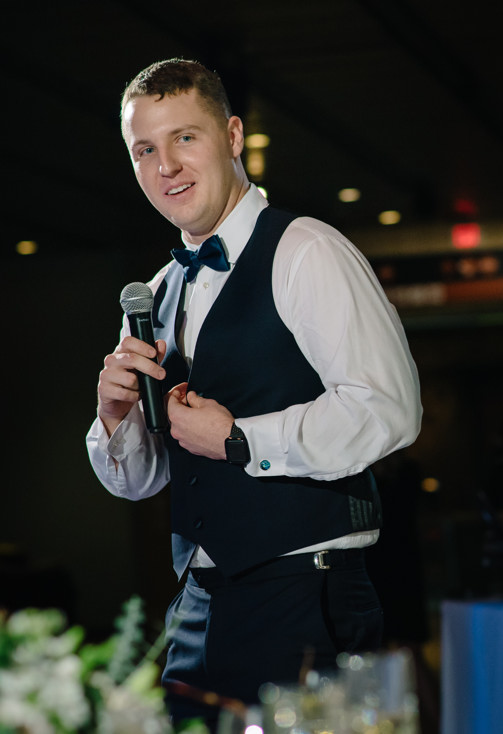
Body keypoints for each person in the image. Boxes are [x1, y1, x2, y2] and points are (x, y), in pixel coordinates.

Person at [86, 58, 422, 726]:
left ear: (233, 137)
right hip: (196, 604)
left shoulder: (307, 251)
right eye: (144, 150)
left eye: (186, 138)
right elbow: (140, 482)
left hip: (307, 593)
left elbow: (389, 408)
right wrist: (116, 418)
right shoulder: (152, 294)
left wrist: (242, 439)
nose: (166, 166)